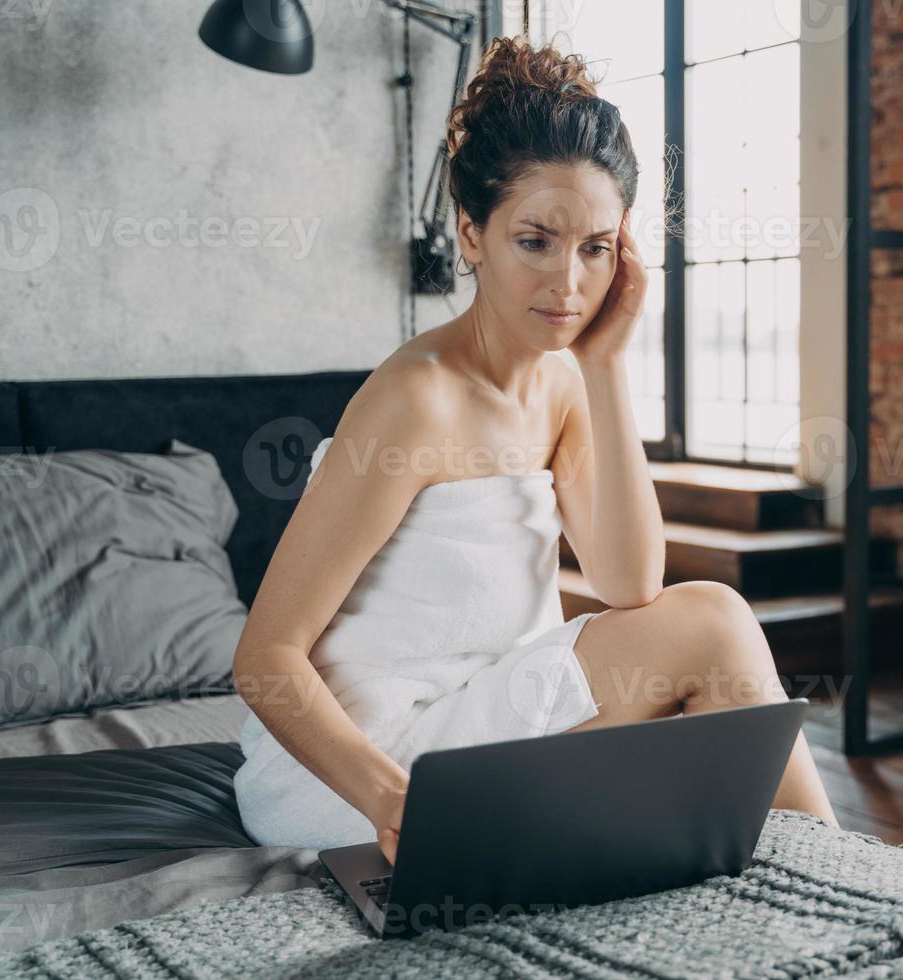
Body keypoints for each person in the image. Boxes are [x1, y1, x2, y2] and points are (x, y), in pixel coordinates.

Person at [232, 34, 840, 866]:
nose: (567, 285)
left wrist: (603, 366)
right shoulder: (418, 398)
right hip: (361, 767)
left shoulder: (563, 381)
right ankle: (846, 880)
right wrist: (391, 800)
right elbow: (264, 658)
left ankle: (838, 892)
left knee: (709, 630)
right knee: (715, 624)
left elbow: (631, 584)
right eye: (535, 241)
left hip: (490, 712)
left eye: (595, 249)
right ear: (472, 234)